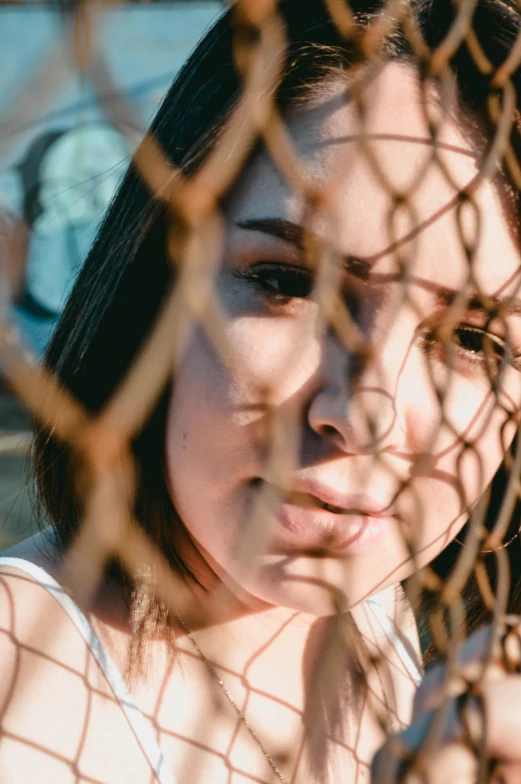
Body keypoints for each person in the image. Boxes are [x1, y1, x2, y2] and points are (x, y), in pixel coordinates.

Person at [1, 0, 521, 782]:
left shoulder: (372, 611)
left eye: (474, 339)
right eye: (285, 281)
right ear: (159, 273)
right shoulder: (18, 682)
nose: (364, 416)